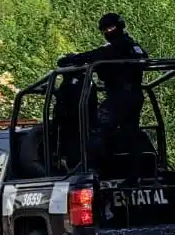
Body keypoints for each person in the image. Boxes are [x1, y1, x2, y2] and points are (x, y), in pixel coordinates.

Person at [58, 13, 149, 161]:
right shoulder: (134, 47)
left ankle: (95, 168)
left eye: (110, 28)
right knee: (129, 134)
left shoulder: (119, 48)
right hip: (133, 97)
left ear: (119, 27)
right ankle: (134, 175)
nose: (107, 32)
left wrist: (71, 58)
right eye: (104, 30)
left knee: (96, 130)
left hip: (120, 98)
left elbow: (94, 55)